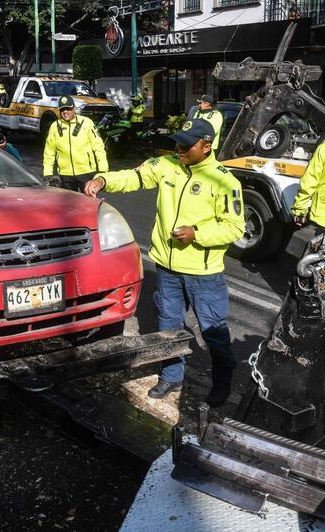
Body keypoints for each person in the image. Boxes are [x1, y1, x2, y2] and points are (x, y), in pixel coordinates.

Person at [83, 119, 244, 406]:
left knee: (213, 332)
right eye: (178, 142)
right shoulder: (166, 164)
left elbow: (234, 228)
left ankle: (222, 383)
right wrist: (103, 179)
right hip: (167, 268)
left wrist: (197, 234)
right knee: (168, 327)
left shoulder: (225, 181)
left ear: (206, 147)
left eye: (187, 144)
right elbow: (134, 177)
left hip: (203, 274)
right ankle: (171, 376)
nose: (179, 148)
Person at [43, 95, 108, 192]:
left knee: (88, 203)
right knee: (69, 206)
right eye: (62, 109)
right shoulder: (55, 126)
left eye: (68, 108)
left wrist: (103, 170)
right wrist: (48, 173)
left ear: (74, 108)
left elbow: (98, 147)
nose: (65, 111)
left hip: (86, 172)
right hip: (65, 175)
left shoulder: (87, 123)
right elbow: (49, 151)